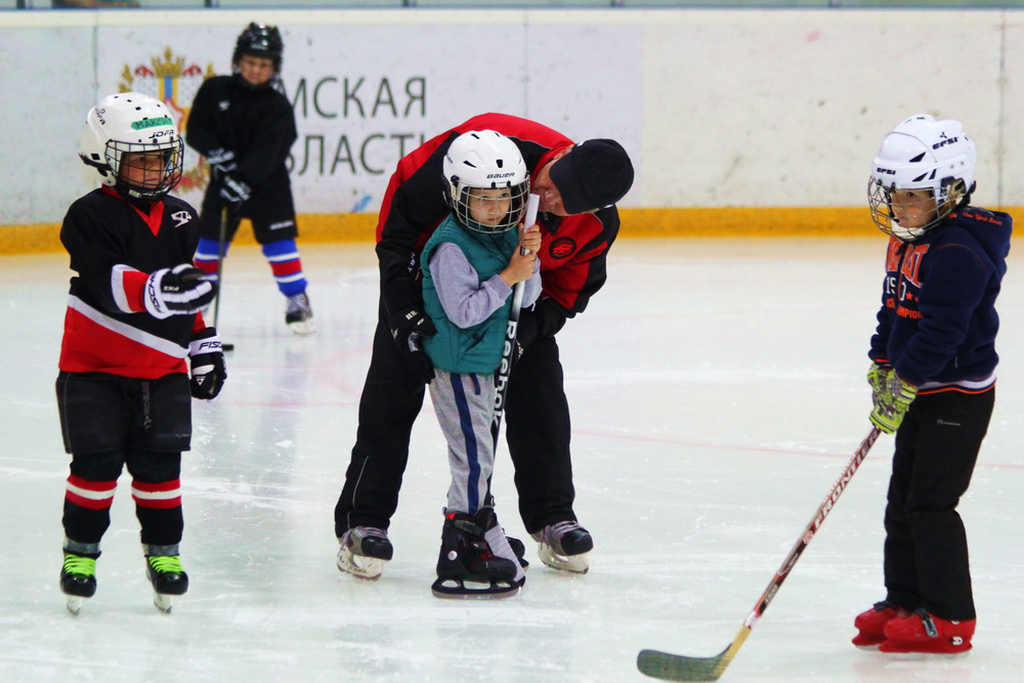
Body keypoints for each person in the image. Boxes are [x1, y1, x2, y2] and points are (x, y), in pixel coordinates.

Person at [334, 113, 634, 580]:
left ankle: (553, 516)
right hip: (426, 285)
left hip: (510, 305)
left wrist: (527, 336)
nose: (547, 199)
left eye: (563, 204)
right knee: (392, 390)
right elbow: (395, 235)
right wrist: (402, 311)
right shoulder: (479, 154)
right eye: (551, 184)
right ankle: (363, 520)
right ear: (562, 156)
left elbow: (567, 294)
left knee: (541, 393)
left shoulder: (594, 226)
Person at [57, 92, 226, 615]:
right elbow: (111, 283)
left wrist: (204, 346)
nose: (155, 170)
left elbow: (189, 292)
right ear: (103, 158)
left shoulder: (182, 217)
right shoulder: (87, 217)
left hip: (161, 370)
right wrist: (159, 290)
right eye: (140, 159)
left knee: (160, 471)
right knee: (97, 466)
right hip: (94, 370)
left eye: (160, 158)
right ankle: (80, 553)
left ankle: (164, 554)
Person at [853, 115, 1010, 655]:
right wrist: (881, 360)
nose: (899, 206)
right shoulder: (907, 239)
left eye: (914, 196)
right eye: (894, 194)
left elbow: (945, 331)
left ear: (952, 191)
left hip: (956, 395)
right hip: (919, 387)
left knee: (931, 505)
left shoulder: (958, 252)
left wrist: (907, 379)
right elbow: (892, 307)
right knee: (902, 501)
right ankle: (904, 600)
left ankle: (948, 617)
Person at [421, 130, 542, 598]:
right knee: (473, 459)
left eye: (504, 197)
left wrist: (527, 260)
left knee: (481, 457)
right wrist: (509, 274)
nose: (496, 208)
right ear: (457, 194)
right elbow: (464, 312)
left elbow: (527, 297)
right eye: (483, 199)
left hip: (485, 363)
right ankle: (461, 544)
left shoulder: (503, 235)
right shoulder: (451, 246)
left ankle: (480, 524)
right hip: (458, 368)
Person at [186, 22, 314, 335]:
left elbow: (272, 151)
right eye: (251, 62)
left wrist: (243, 178)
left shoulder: (278, 106)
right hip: (224, 178)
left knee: (279, 244)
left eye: (264, 65)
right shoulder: (215, 89)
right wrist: (216, 153)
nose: (256, 70)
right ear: (238, 60)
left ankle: (296, 298)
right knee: (208, 243)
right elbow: (197, 129)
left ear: (275, 68)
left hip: (268, 186)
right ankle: (196, 300)